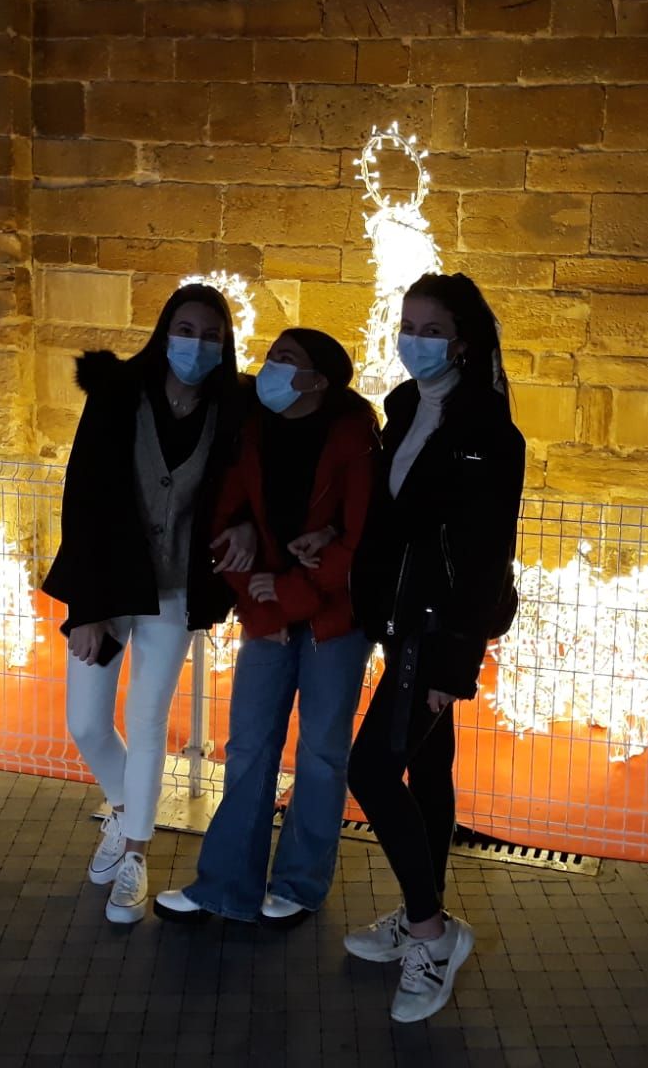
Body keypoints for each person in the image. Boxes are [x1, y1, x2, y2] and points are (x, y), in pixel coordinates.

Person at [345, 273, 525, 1023]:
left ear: (463, 339)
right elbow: (393, 519)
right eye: (405, 322)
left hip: (436, 630)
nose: (411, 338)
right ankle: (429, 912)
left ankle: (429, 933)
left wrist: (456, 661)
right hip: (398, 620)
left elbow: (485, 557)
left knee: (372, 769)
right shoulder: (407, 405)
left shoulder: (491, 433)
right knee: (426, 765)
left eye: (428, 326)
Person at [41, 284, 252, 924]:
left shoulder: (234, 409)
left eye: (212, 335)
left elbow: (243, 490)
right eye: (186, 330)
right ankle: (127, 810)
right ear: (164, 331)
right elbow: (82, 496)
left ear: (225, 344)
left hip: (176, 588)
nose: (197, 345)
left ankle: (135, 852)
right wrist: (86, 605)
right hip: (108, 585)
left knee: (150, 717)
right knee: (84, 721)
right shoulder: (116, 394)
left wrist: (243, 527)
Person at [154, 329, 379, 927]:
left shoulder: (355, 432)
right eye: (273, 354)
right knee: (250, 745)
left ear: (319, 380)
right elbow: (224, 520)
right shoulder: (251, 424)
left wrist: (288, 595)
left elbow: (362, 542)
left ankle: (300, 884)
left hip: (334, 617)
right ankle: (226, 884)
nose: (272, 366)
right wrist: (263, 607)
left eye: (288, 360)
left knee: (322, 752)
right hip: (269, 611)